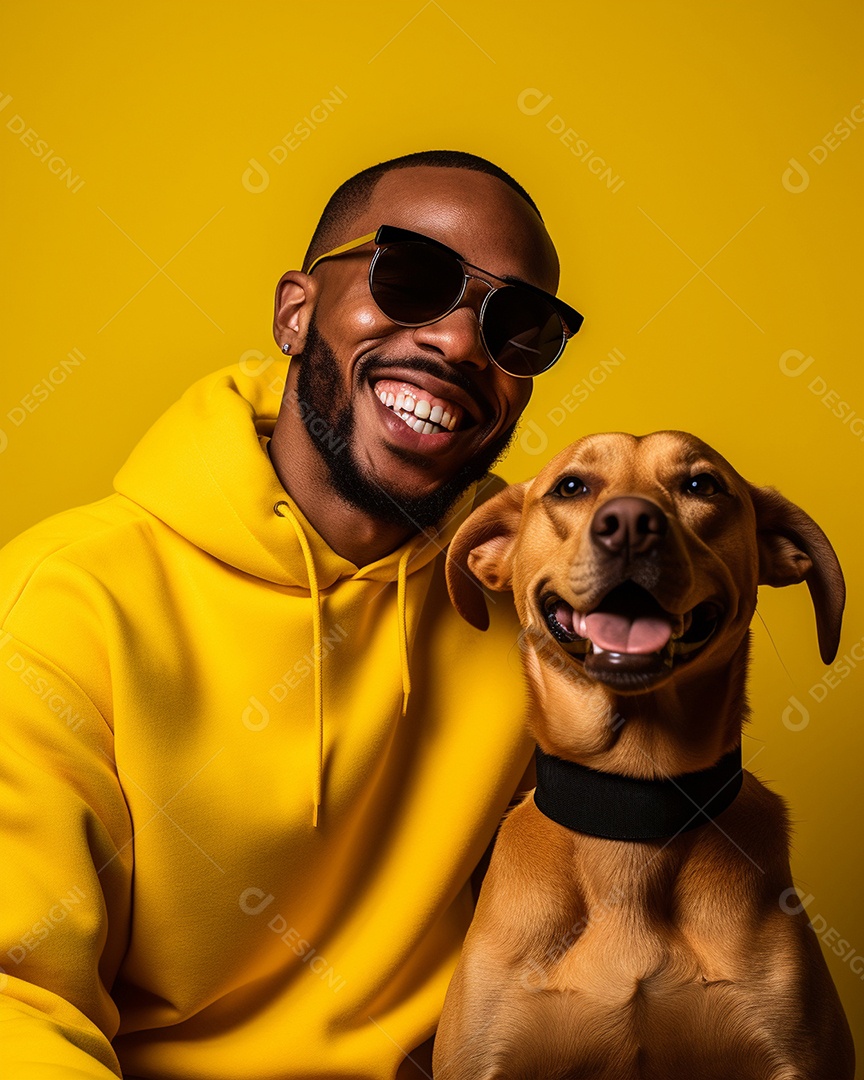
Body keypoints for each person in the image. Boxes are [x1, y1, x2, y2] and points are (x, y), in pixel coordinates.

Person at [0, 149, 583, 1079]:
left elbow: (616, 925)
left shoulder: (541, 612)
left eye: (517, 327)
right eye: (411, 278)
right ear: (295, 312)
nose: (460, 344)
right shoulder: (66, 602)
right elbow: (16, 1004)